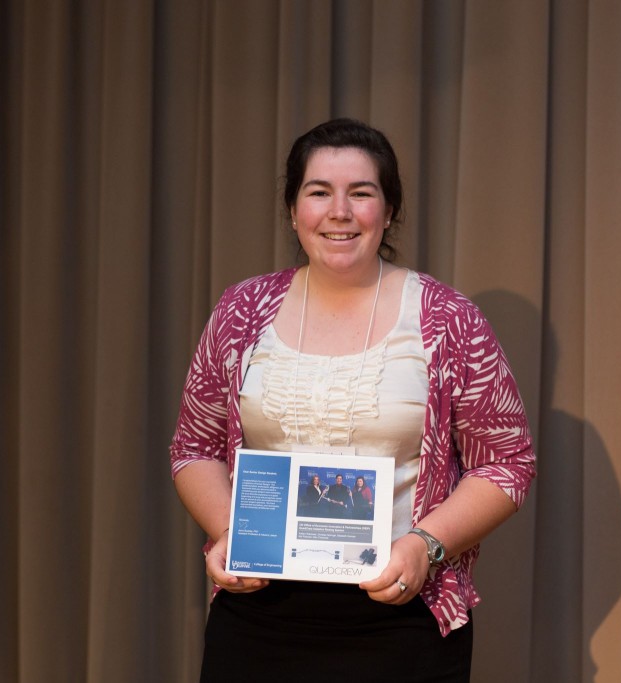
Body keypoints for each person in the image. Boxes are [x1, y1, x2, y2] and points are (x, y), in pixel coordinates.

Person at [171, 118, 536, 682]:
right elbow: (194, 448)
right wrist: (231, 533)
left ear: (388, 211)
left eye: (360, 193)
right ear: (294, 210)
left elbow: (508, 463)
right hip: (258, 616)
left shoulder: (448, 319)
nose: (339, 212)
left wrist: (424, 547)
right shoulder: (241, 310)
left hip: (401, 618)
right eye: (319, 192)